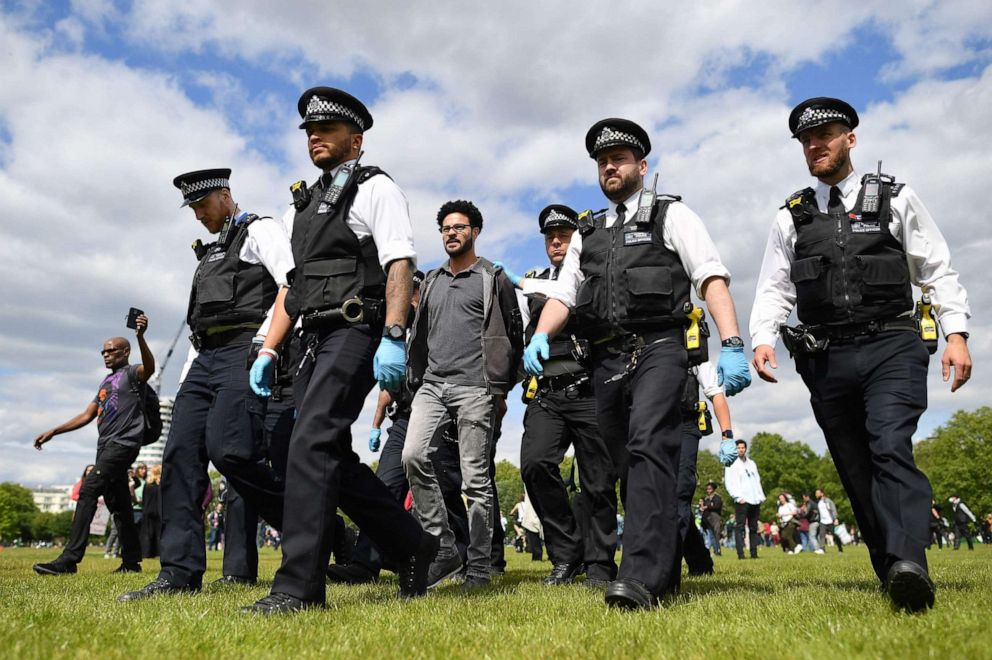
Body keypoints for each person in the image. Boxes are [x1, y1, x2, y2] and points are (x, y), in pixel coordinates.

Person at [517, 118, 752, 610]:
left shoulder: (672, 215)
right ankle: (664, 571)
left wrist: (731, 340)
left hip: (660, 347)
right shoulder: (588, 231)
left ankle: (639, 577)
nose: (610, 166)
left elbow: (710, 276)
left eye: (619, 159)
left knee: (647, 444)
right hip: (606, 358)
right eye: (603, 161)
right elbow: (565, 292)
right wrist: (541, 335)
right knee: (629, 466)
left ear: (641, 166)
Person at [751, 97, 972, 611]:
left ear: (850, 138)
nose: (815, 145)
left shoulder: (897, 198)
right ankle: (892, 568)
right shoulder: (791, 218)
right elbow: (774, 287)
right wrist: (763, 336)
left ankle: (909, 559)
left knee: (890, 442)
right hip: (826, 356)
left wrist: (956, 334)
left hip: (892, 344)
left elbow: (936, 269)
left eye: (826, 134)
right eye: (807, 140)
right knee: (854, 465)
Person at [243, 87, 438, 614]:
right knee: (313, 448)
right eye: (309, 131)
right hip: (311, 336)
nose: (314, 138)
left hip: (358, 328)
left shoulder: (376, 188)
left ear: (355, 140)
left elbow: (400, 261)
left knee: (311, 441)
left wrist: (394, 337)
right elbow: (293, 285)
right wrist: (267, 349)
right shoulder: (300, 208)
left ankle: (298, 588)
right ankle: (412, 544)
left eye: (326, 131)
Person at [119, 168, 292, 603]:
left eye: (201, 205)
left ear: (225, 194)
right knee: (179, 455)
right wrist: (185, 381)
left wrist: (266, 347)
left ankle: (310, 528)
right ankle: (178, 573)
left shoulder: (261, 230)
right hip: (204, 360)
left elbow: (293, 285)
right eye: (191, 208)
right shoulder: (210, 253)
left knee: (230, 451)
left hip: (244, 350)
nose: (197, 215)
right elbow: (202, 324)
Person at [402, 199, 523, 592]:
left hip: (476, 388)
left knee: (475, 482)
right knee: (413, 456)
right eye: (445, 228)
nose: (451, 233)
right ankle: (444, 547)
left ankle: (480, 568)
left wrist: (502, 387)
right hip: (432, 385)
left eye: (459, 227)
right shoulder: (432, 280)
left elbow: (514, 334)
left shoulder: (493, 277)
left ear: (475, 231)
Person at [500, 204, 618, 587]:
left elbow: (572, 296)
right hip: (546, 394)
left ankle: (599, 563)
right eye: (550, 237)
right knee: (535, 466)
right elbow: (519, 336)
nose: (556, 241)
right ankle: (566, 556)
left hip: (589, 389)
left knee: (597, 481)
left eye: (564, 235)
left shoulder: (591, 274)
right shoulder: (534, 281)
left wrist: (522, 284)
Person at [32, 315, 155, 575]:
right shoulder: (105, 382)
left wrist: (141, 337)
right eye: (104, 351)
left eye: (112, 350)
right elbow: (87, 415)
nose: (106, 354)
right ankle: (131, 563)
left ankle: (69, 559)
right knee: (119, 505)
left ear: (125, 352)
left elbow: (150, 367)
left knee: (88, 491)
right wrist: (54, 430)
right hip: (105, 445)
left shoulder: (133, 374)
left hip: (123, 444)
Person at [678, 361, 733, 576]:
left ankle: (667, 565)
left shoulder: (695, 354)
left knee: (680, 492)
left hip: (685, 425)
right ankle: (699, 559)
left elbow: (716, 394)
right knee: (673, 502)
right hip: (650, 425)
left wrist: (727, 435)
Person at [724, 439, 765, 560]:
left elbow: (757, 480)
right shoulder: (731, 463)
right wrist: (737, 497)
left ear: (745, 449)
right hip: (742, 499)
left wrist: (760, 495)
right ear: (735, 449)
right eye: (738, 448)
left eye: (743, 447)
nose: (741, 449)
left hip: (755, 499)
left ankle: (754, 553)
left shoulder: (752, 463)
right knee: (740, 527)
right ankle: (740, 554)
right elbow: (728, 482)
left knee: (753, 527)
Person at [140, 465, 162, 558]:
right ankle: (158, 553)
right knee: (159, 533)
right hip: (158, 511)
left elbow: (144, 499)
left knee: (147, 533)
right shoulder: (160, 485)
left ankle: (146, 553)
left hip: (147, 510)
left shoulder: (147, 484)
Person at [701, 481, 724, 555]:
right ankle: (714, 550)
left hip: (715, 517)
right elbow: (702, 507)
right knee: (711, 535)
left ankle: (718, 551)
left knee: (716, 534)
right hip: (707, 518)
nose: (708, 490)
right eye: (707, 489)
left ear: (713, 489)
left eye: (710, 489)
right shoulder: (706, 498)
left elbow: (716, 506)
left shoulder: (717, 497)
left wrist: (707, 507)